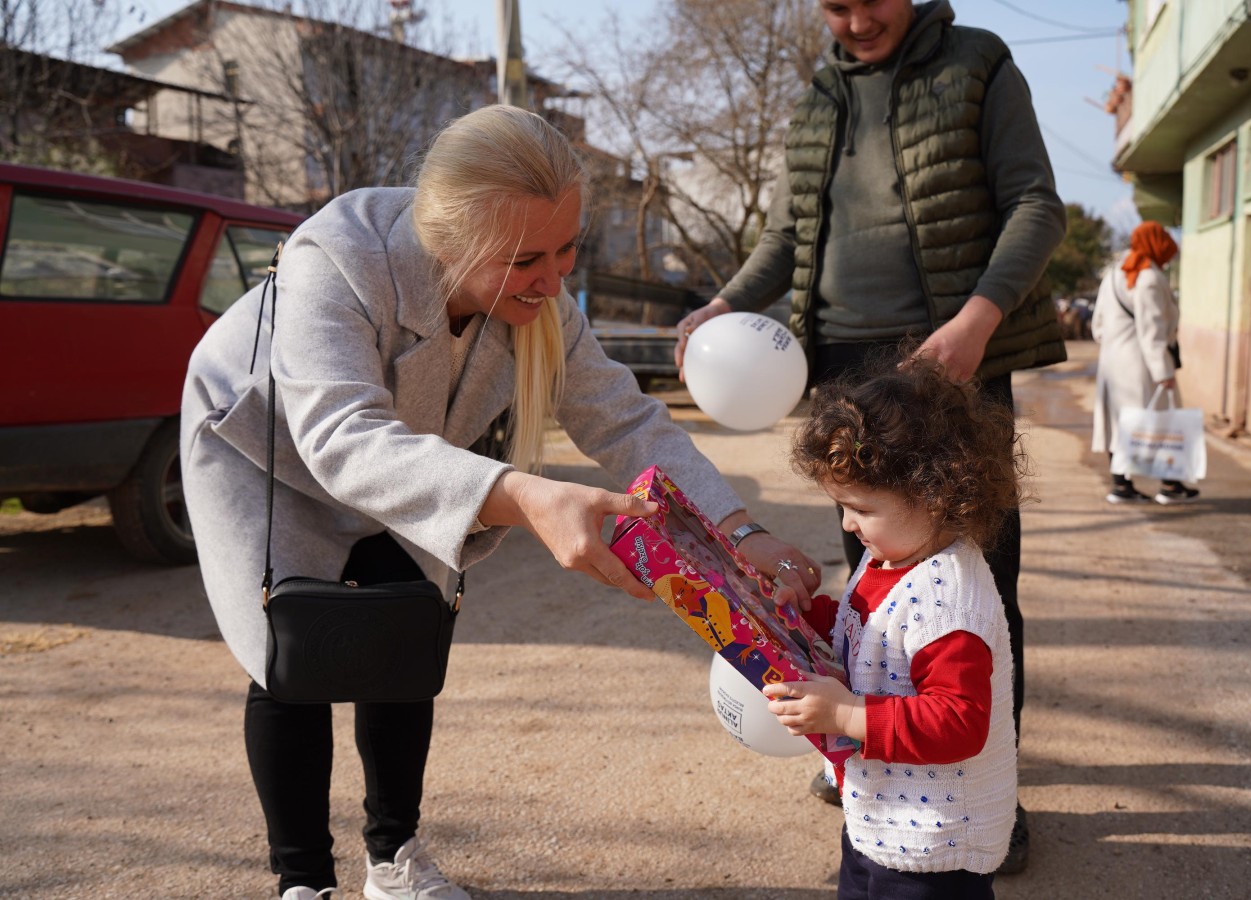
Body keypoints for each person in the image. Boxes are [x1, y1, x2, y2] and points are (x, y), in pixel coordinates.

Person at [180, 105, 821, 900]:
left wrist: (738, 529)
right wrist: (520, 495)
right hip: (266, 449)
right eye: (526, 260)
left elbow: (623, 418)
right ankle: (302, 883)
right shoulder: (337, 257)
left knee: (405, 630)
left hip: (410, 454)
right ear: (448, 243)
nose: (555, 282)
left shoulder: (541, 298)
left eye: (568, 248)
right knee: (290, 656)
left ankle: (393, 860)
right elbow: (342, 438)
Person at [672, 0, 1065, 872]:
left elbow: (1036, 204)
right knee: (869, 570)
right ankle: (865, 742)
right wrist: (727, 304)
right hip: (843, 370)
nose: (854, 20)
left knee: (977, 584)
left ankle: (985, 777)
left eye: (870, 0)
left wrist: (976, 323)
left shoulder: (978, 63)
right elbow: (786, 237)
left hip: (953, 358)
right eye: (834, 5)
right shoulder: (816, 99)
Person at [764, 350, 1024, 900]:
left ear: (935, 496)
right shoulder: (892, 556)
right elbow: (871, 638)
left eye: (861, 508)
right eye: (841, 505)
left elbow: (958, 721)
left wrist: (843, 713)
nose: (846, 522)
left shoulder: (950, 603)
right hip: (881, 816)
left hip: (934, 848)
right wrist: (806, 615)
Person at [1090, 220, 1198, 505]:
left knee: (1121, 424)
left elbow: (1097, 326)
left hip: (1113, 363)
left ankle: (1121, 485)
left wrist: (1116, 344)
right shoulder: (1148, 277)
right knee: (1161, 423)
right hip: (1141, 364)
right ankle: (1170, 486)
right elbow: (1152, 331)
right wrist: (1162, 370)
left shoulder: (1113, 274)